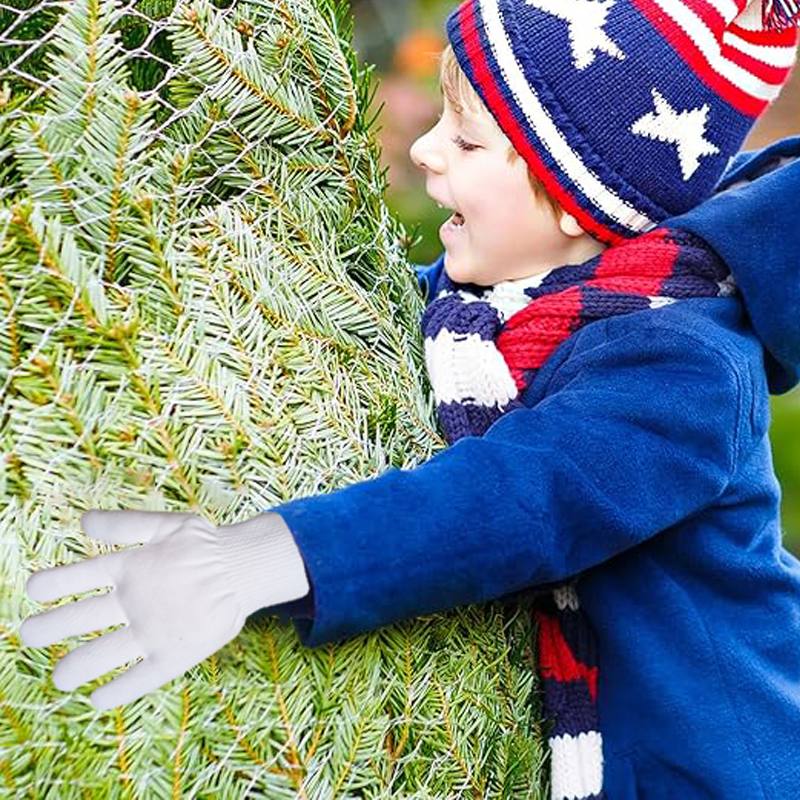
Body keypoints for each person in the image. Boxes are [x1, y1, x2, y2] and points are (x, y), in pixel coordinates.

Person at [20, 0, 800, 797]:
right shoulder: (514, 298)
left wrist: (263, 558)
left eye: (465, 139)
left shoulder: (685, 369)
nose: (426, 151)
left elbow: (516, 501)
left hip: (710, 768)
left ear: (578, 200)